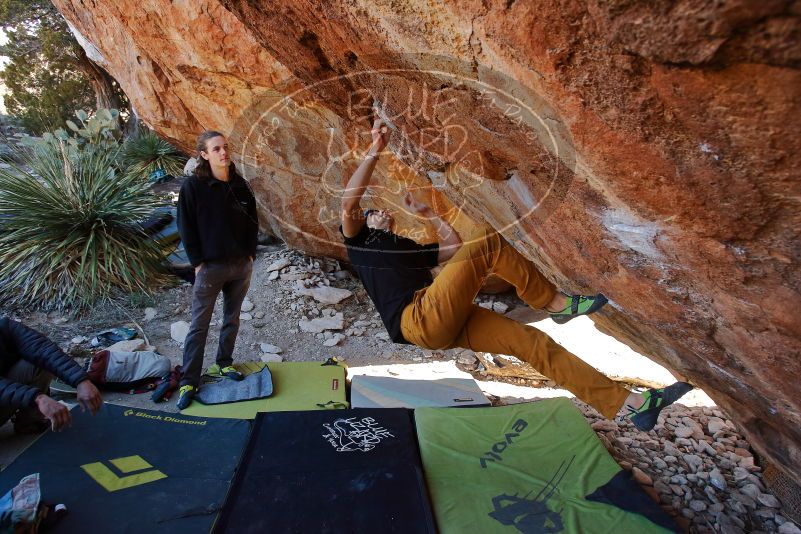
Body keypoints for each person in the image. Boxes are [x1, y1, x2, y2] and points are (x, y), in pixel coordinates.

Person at [340, 119, 692, 430]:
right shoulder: (360, 244)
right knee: (487, 239)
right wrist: (375, 149)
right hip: (417, 320)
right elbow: (348, 205)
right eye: (372, 213)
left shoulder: (405, 250)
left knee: (532, 343)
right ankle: (551, 302)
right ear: (365, 224)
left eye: (382, 211)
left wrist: (428, 213)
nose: (378, 213)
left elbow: (452, 247)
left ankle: (629, 406)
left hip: (441, 319)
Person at [175, 131, 259, 409]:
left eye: (225, 147)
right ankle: (189, 380)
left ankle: (224, 363)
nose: (223, 153)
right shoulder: (193, 187)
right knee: (199, 325)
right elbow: (185, 226)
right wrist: (197, 262)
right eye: (216, 149)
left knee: (232, 319)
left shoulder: (240, 185)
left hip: (240, 266)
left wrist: (250, 255)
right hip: (210, 267)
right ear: (204, 154)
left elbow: (252, 222)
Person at [0, 317, 102, 433]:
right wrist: (37, 398)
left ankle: (29, 423)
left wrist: (81, 381)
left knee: (38, 362)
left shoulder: (4, 326)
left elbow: (43, 349)